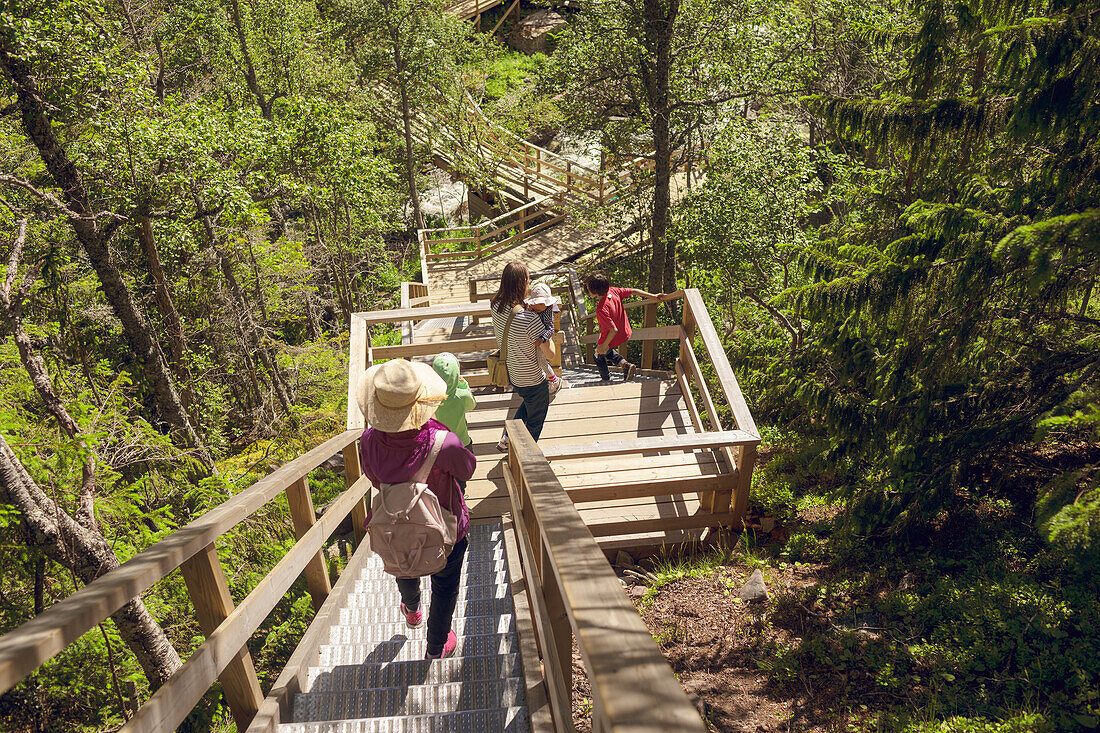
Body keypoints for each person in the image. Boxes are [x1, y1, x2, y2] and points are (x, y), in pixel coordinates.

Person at [357, 359, 476, 660]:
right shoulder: (443, 442)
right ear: (421, 399)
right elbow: (467, 468)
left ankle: (412, 609)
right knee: (445, 587)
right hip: (446, 526)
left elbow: (373, 479)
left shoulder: (369, 441)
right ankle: (436, 646)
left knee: (403, 559)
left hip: (394, 524)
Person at [491, 262, 552, 452]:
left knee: (528, 403)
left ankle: (507, 437)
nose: (530, 284)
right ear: (521, 283)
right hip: (533, 377)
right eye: (528, 280)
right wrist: (548, 324)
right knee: (535, 419)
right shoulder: (528, 318)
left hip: (513, 372)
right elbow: (550, 353)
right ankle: (524, 454)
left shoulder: (496, 305)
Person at [584, 272, 664, 381]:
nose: (587, 289)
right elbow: (634, 291)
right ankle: (625, 365)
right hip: (624, 331)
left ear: (595, 292)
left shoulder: (601, 309)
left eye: (588, 288)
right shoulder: (613, 291)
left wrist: (603, 345)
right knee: (605, 351)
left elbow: (613, 330)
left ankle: (606, 379)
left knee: (598, 354)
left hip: (611, 336)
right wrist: (653, 296)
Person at [524, 281, 569, 393]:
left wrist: (542, 339)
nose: (538, 307)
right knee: (534, 361)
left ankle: (554, 380)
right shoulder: (532, 308)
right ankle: (543, 380)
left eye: (541, 304)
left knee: (541, 362)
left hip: (542, 339)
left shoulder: (548, 312)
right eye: (536, 304)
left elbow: (550, 329)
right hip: (533, 337)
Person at [432, 352, 477, 453]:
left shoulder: (431, 398)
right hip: (462, 441)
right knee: (466, 466)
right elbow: (472, 404)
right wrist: (464, 386)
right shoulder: (462, 396)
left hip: (440, 443)